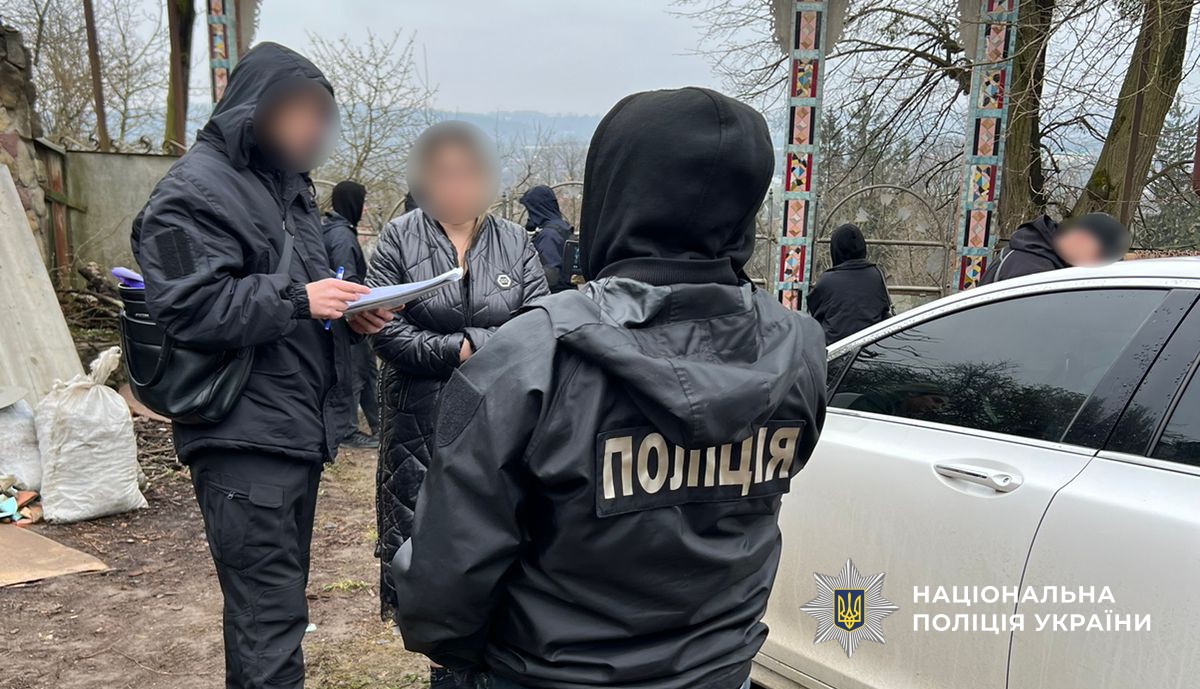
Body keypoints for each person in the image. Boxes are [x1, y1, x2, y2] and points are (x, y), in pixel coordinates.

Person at [391, 87, 827, 689]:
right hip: (717, 672)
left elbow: (445, 582)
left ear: (615, 192)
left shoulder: (529, 356)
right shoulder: (798, 348)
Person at [130, 43, 395, 689]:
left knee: (269, 613)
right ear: (255, 109)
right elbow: (186, 305)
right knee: (268, 619)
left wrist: (347, 312)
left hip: (289, 429)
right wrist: (299, 299)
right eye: (297, 112)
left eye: (319, 115)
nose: (310, 128)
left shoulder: (284, 187)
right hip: (242, 434)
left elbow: (299, 295)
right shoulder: (192, 191)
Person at [367, 122, 549, 663]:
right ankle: (442, 659)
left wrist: (474, 346)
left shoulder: (515, 242)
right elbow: (384, 329)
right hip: (418, 420)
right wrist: (460, 350)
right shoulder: (398, 238)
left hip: (501, 418)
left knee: (495, 541)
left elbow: (538, 324)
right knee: (426, 550)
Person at [322, 180, 380, 448]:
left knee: (367, 372)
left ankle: (380, 426)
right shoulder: (342, 237)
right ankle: (347, 432)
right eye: (363, 202)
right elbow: (346, 279)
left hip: (346, 318)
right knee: (355, 374)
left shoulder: (336, 230)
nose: (364, 208)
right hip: (348, 319)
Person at [979, 212, 1130, 285]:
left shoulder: (1037, 249)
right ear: (1082, 238)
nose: (1095, 265)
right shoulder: (1032, 270)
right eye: (1098, 256)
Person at [807, 223, 892, 344]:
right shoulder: (876, 274)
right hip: (870, 346)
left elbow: (815, 313)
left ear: (835, 249)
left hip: (836, 348)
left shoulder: (826, 281)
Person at [520, 185, 577, 292]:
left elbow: (550, 276)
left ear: (536, 210)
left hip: (554, 296)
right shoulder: (563, 228)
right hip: (568, 293)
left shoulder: (549, 235)